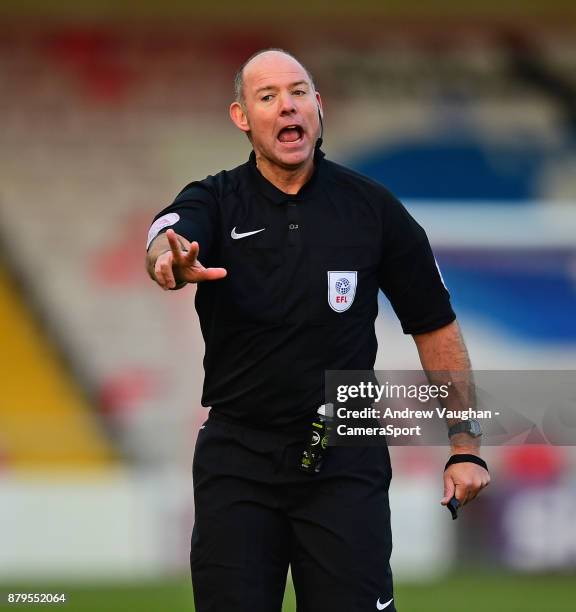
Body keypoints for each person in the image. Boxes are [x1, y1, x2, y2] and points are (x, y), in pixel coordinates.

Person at [145, 49, 490, 612]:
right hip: (239, 459)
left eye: (299, 92)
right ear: (241, 117)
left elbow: (435, 325)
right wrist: (167, 260)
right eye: (268, 96)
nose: (288, 106)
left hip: (344, 455)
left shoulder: (373, 209)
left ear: (318, 107)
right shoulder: (214, 200)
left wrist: (465, 445)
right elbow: (167, 232)